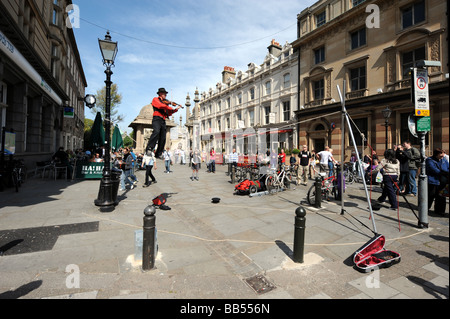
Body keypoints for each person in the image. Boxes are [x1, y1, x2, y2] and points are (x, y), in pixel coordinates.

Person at [145, 88, 181, 158]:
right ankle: (149, 148)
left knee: (163, 137)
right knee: (156, 132)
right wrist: (170, 104)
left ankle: (159, 153)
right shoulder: (155, 99)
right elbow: (160, 106)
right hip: (156, 119)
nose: (166, 95)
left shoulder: (165, 103)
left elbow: (169, 113)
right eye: (164, 93)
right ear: (160, 94)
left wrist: (176, 109)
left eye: (166, 94)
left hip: (163, 120)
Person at [426, 148, 449, 215]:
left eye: (443, 153)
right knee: (431, 195)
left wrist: (446, 173)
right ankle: (426, 208)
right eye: (441, 153)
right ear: (436, 154)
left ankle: (440, 211)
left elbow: (448, 167)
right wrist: (444, 173)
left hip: (442, 181)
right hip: (433, 180)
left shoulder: (444, 160)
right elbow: (434, 170)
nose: (443, 155)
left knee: (441, 196)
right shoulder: (430, 160)